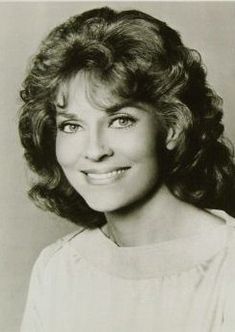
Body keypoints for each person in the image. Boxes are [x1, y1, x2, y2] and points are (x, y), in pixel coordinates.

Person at [19, 6, 235, 332]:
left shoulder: (227, 263)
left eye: (121, 120)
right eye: (71, 126)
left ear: (173, 126)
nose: (94, 151)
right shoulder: (58, 269)